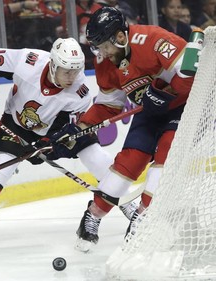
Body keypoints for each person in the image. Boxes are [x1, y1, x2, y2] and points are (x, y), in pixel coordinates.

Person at [0, 37, 137, 247]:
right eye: (66, 70)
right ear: (53, 64)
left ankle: (125, 201)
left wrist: (47, 145)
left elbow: (66, 131)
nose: (72, 77)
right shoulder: (27, 61)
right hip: (16, 123)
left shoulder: (80, 93)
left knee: (94, 155)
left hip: (56, 131)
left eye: (76, 71)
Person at [64, 7, 194, 252]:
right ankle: (93, 215)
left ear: (121, 37)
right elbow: (108, 105)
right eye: (96, 47)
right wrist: (80, 127)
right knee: (129, 162)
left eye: (103, 46)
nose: (100, 53)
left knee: (166, 153)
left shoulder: (154, 39)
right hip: (149, 112)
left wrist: (168, 92)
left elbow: (191, 70)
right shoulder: (106, 62)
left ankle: (143, 217)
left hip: (182, 108)